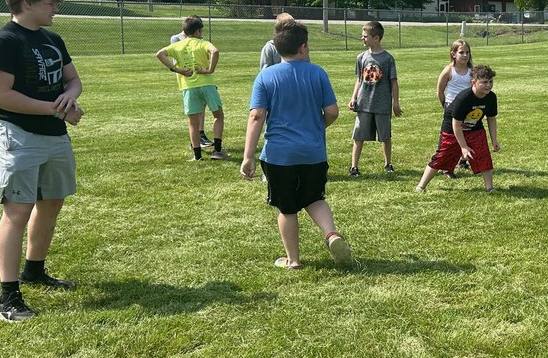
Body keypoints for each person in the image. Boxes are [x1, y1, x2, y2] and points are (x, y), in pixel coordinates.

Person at [0, 0, 84, 322]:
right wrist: (57, 108)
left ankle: (34, 270)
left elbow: (73, 79)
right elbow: (0, 96)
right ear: (26, 4)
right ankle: (7, 297)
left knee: (52, 201)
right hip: (19, 133)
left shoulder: (52, 38)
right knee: (18, 209)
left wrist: (69, 98)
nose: (55, 8)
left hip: (54, 134)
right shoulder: (4, 41)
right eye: (49, 3)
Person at [241, 21, 350, 269]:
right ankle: (331, 234)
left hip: (280, 155)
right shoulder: (317, 72)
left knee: (287, 207)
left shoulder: (265, 76)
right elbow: (332, 111)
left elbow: (256, 116)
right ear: (303, 47)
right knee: (315, 197)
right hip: (313, 152)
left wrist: (248, 156)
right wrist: (316, 127)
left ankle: (293, 260)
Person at [416, 64, 500, 193]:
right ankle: (421, 186)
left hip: (474, 129)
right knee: (442, 156)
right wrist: (463, 146)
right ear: (473, 82)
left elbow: (491, 118)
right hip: (452, 129)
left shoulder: (491, 97)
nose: (488, 85)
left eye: (490, 82)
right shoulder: (464, 98)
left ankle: (490, 188)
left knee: (483, 155)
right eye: (484, 82)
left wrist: (494, 139)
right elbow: (456, 124)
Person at [155, 15, 228, 160]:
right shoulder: (202, 43)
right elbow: (215, 51)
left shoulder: (178, 45)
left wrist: (177, 69)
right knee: (218, 115)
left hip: (188, 86)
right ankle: (217, 151)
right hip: (207, 84)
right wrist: (210, 70)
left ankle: (197, 155)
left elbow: (160, 54)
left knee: (192, 122)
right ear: (197, 32)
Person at [348, 20, 401, 176]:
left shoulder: (387, 58)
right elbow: (359, 80)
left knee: (385, 136)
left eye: (365, 36)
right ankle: (354, 167)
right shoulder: (361, 57)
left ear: (376, 38)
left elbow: (394, 82)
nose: (363, 39)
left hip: (382, 104)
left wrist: (395, 103)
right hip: (364, 104)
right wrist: (353, 98)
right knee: (358, 135)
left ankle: (388, 164)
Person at [437, 39, 473, 175]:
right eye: (461, 52)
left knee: (467, 134)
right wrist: (445, 106)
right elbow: (440, 91)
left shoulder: (472, 71)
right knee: (449, 137)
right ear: (453, 54)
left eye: (467, 52)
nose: (465, 55)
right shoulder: (449, 70)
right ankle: (444, 165)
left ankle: (463, 160)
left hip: (467, 108)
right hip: (451, 106)